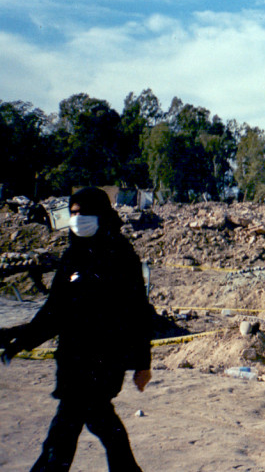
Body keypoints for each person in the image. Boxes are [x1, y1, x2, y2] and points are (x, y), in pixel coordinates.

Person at [1, 187, 154, 471]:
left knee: (66, 429)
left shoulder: (121, 256)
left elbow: (138, 314)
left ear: (102, 215)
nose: (77, 219)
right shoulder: (73, 256)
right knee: (100, 424)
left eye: (84, 213)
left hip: (104, 362)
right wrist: (19, 341)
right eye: (73, 213)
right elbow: (54, 312)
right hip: (73, 359)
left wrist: (143, 364)